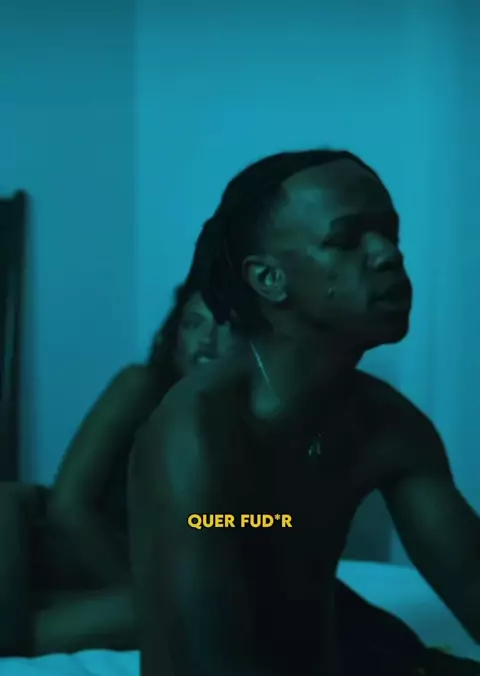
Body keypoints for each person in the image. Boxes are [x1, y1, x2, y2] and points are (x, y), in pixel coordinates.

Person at [128, 149, 480, 676]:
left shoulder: (389, 425)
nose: (388, 254)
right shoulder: (199, 433)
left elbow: (471, 582)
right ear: (269, 278)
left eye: (389, 233)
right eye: (347, 239)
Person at [0, 284, 233, 656]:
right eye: (193, 323)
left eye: (225, 324)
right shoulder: (140, 386)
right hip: (35, 538)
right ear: (175, 338)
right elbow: (67, 507)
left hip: (97, 581)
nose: (206, 339)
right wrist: (138, 588)